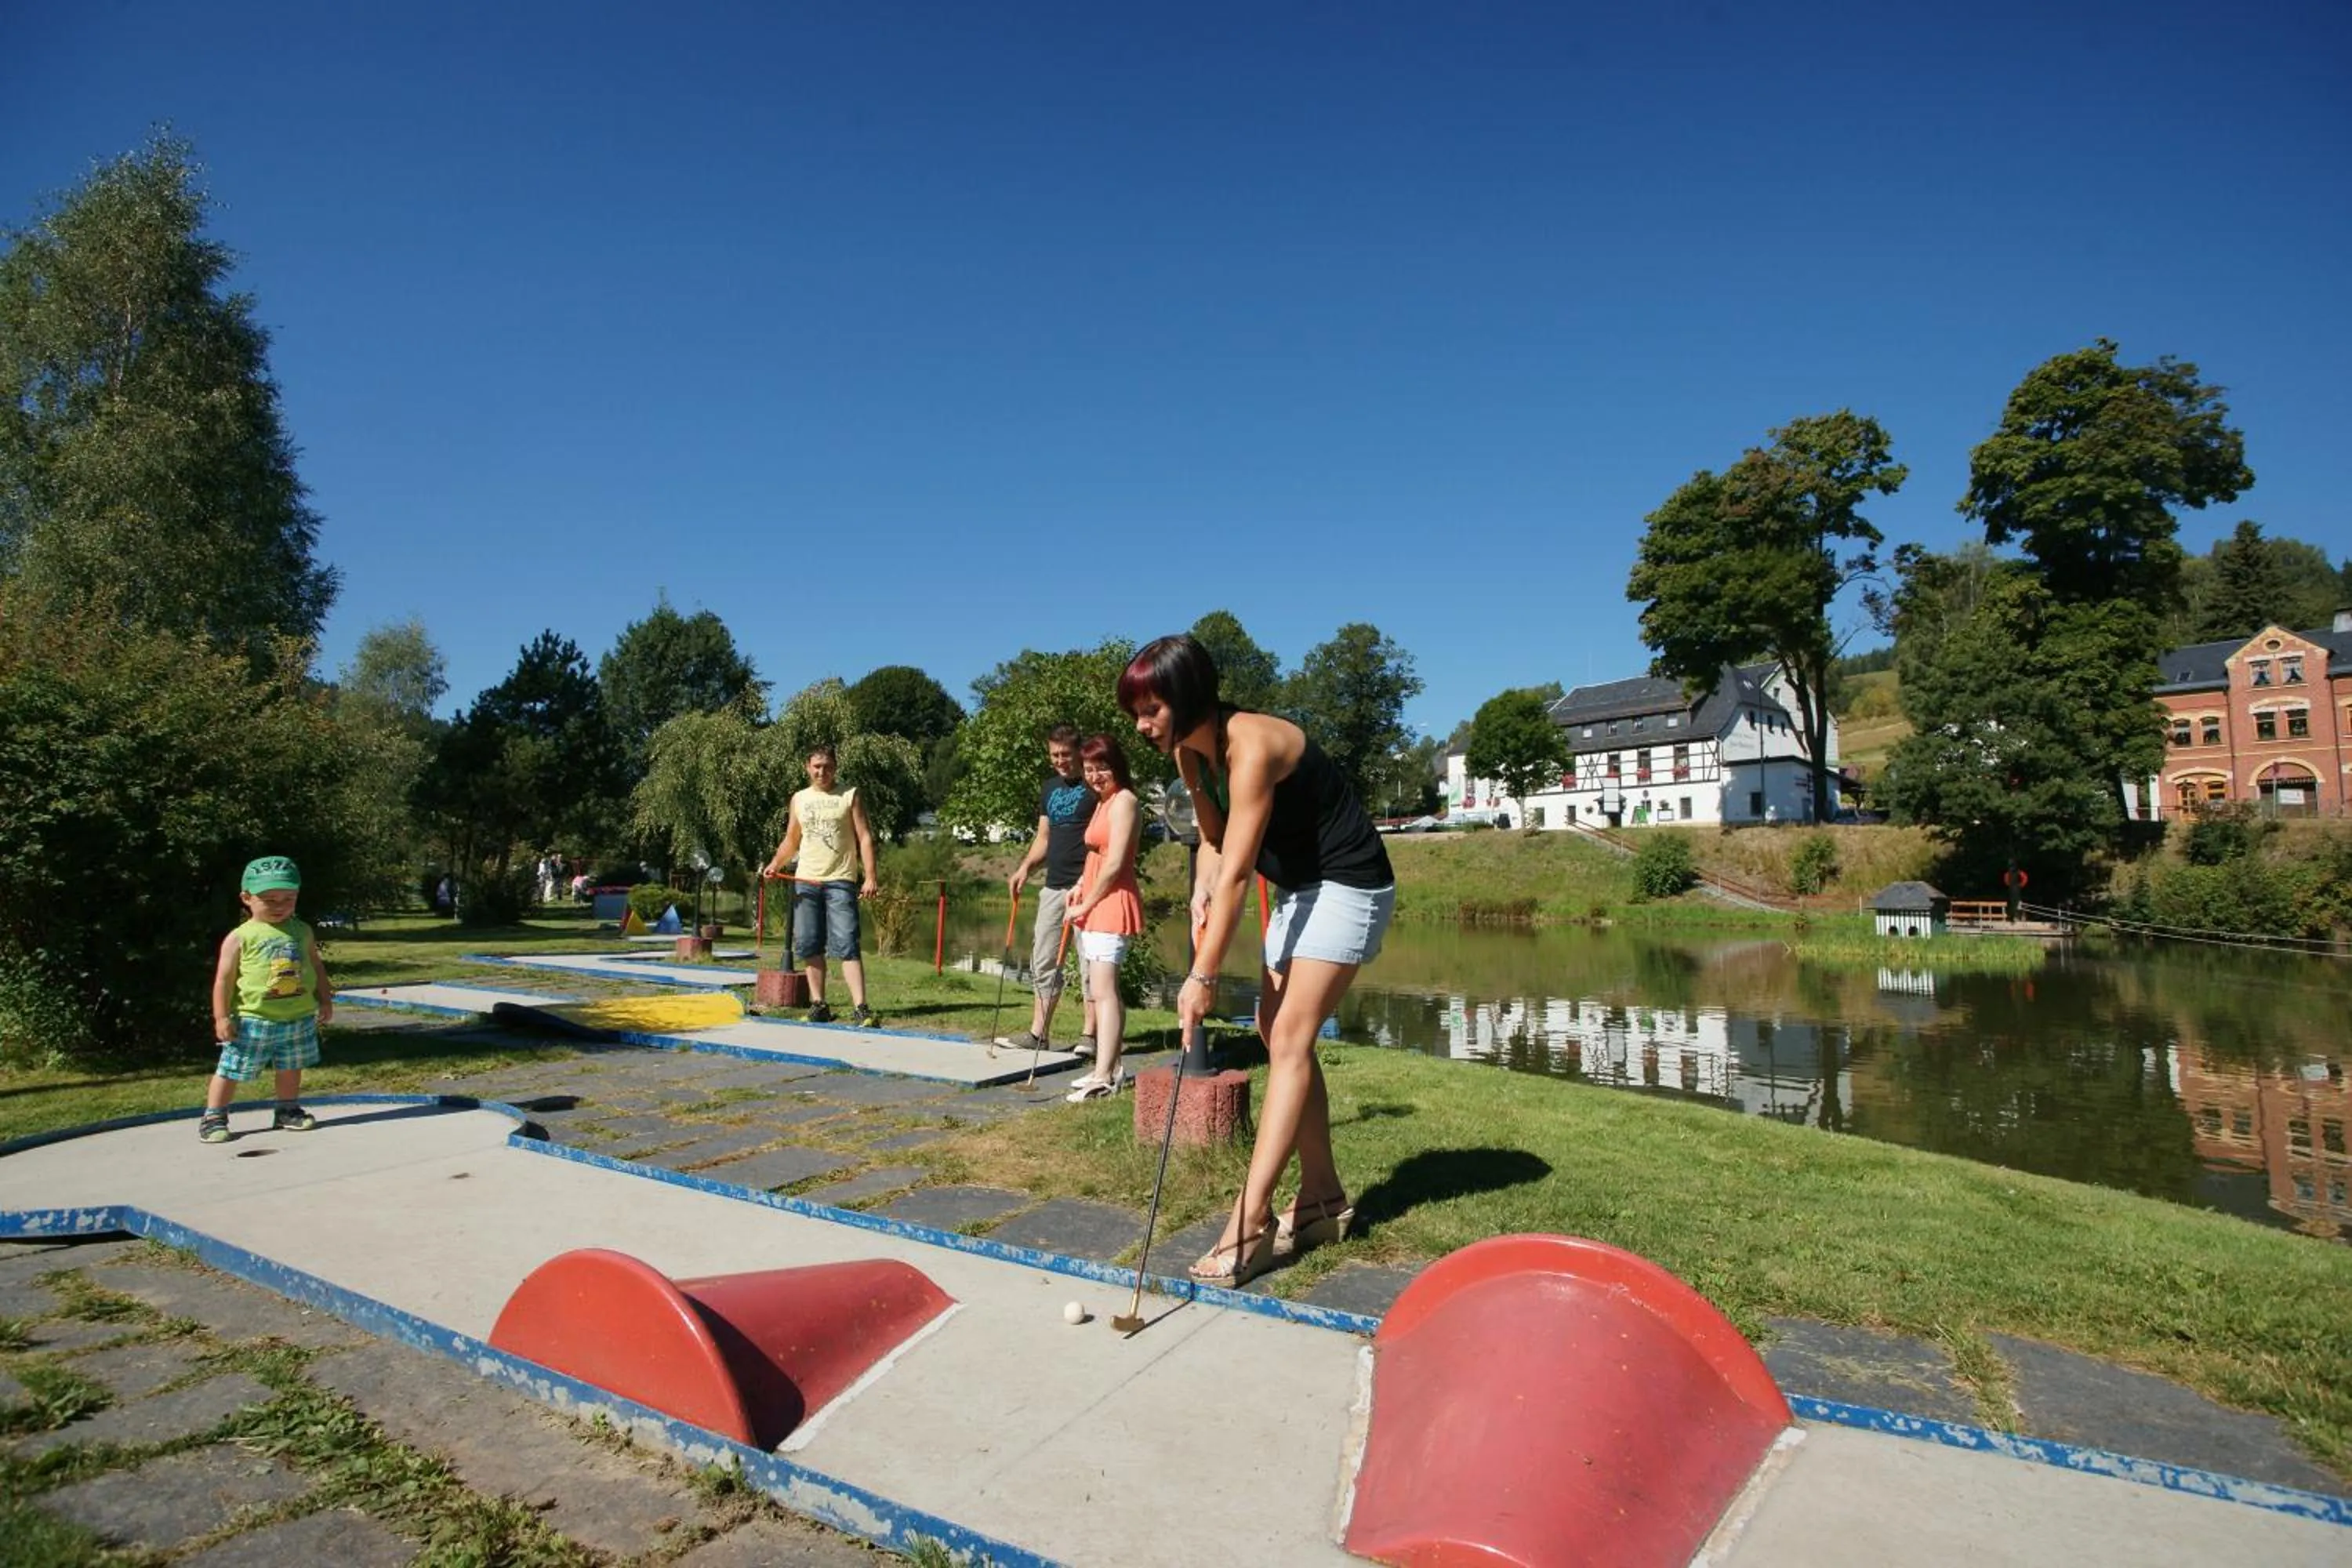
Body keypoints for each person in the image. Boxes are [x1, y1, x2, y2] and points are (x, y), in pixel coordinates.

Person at [1120, 633, 1395, 1287]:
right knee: (1277, 1034)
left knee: (1292, 1038)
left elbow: (1240, 875)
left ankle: (1251, 1222)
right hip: (1303, 885)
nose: (1140, 725)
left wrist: (1202, 975)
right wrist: (1198, 887)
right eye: (1135, 711)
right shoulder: (1193, 753)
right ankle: (1325, 1199)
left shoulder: (1254, 748)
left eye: (1151, 709)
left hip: (1349, 882)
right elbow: (1216, 845)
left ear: (1186, 700)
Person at [201, 855, 334, 1145]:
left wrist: (325, 999)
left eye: (289, 898)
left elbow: (316, 966)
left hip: (297, 1016)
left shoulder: (302, 931)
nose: (280, 906)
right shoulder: (240, 937)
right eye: (270, 899)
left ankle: (287, 1109)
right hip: (253, 1019)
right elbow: (223, 979)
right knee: (232, 1067)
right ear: (246, 898)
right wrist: (221, 1017)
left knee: (290, 1066)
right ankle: (214, 1116)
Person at [764, 745, 880, 1025]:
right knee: (808, 943)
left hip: (840, 880)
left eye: (827, 766)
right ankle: (819, 1005)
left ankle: (861, 1008)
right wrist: (775, 864)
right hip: (806, 880)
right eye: (816, 766)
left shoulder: (849, 794)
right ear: (808, 768)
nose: (822, 771)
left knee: (847, 943)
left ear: (835, 768)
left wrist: (871, 877)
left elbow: (864, 837)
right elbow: (792, 840)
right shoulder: (799, 799)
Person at [1000, 725, 1098, 1057]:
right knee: (1043, 960)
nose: (1059, 761)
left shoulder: (1094, 784)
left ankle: (1090, 1035)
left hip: (1089, 886)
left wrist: (1092, 880)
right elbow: (1043, 838)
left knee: (1090, 963)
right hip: (1054, 886)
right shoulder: (1049, 788)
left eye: (1065, 755)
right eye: (1054, 755)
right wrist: (1025, 867)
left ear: (1079, 752)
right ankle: (1039, 1033)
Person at [1060, 735, 1144, 1102]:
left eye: (1101, 768)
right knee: (1100, 989)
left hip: (1111, 902)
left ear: (1117, 766)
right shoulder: (1104, 802)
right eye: (1090, 770)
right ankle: (1110, 1067)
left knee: (1104, 991)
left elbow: (1115, 864)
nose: (1095, 776)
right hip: (1096, 900)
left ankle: (1104, 1075)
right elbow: (1098, 855)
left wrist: (1086, 903)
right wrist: (1080, 884)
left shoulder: (1125, 801)